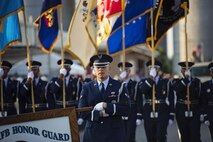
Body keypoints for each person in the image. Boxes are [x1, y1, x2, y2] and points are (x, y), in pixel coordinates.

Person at [78, 54, 130, 142]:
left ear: (109, 68)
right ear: (93, 69)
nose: (100, 69)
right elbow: (82, 111)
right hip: (93, 133)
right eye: (97, 67)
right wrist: (99, 115)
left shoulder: (119, 86)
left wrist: (106, 106)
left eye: (103, 67)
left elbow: (127, 109)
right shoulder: (87, 87)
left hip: (114, 134)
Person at [136, 59, 174, 142]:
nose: (153, 70)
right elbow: (143, 90)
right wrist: (151, 79)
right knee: (150, 137)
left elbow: (171, 98)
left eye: (155, 68)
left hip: (162, 111)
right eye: (151, 68)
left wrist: (171, 114)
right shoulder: (143, 81)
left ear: (158, 69)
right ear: (149, 70)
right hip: (148, 111)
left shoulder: (166, 82)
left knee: (161, 136)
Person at [172, 61, 201, 142]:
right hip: (181, 110)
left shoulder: (196, 81)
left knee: (195, 136)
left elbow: (198, 95)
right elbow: (177, 89)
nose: (186, 71)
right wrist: (186, 79)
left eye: (188, 69)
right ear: (181, 70)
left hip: (194, 109)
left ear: (191, 70)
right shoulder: (176, 81)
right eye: (184, 69)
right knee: (184, 135)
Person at [117, 62, 138, 142]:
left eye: (126, 70)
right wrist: (119, 80)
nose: (124, 72)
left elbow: (138, 101)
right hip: (120, 113)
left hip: (131, 113)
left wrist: (139, 115)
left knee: (130, 137)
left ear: (129, 71)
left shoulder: (134, 84)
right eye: (122, 70)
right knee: (120, 137)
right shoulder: (116, 84)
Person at [200, 62, 213, 141]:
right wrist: (205, 116)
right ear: (211, 73)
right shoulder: (205, 85)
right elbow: (203, 102)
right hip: (211, 114)